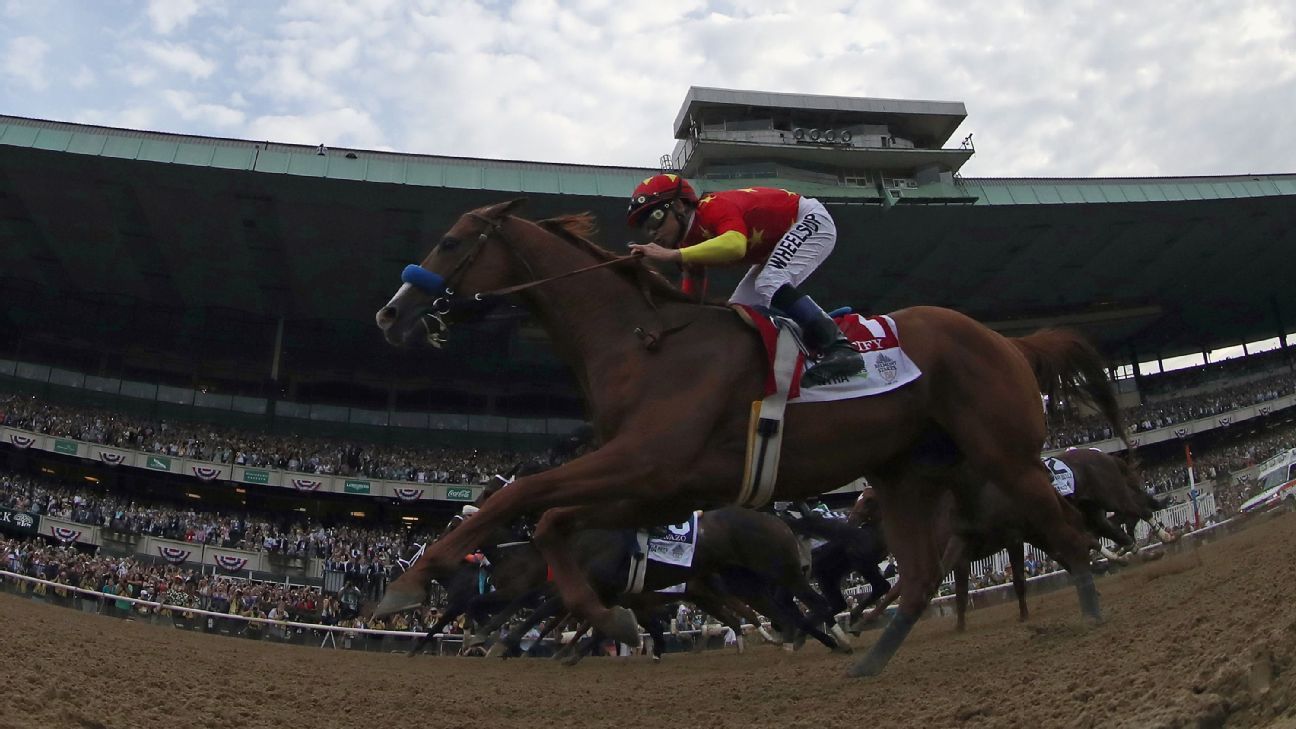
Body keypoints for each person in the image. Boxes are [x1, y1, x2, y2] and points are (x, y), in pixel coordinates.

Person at [626, 173, 865, 387]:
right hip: (776, 244)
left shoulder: (712, 207)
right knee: (739, 308)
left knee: (770, 280)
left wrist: (673, 255)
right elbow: (691, 300)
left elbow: (736, 245)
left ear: (678, 205)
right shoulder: (688, 243)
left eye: (655, 218)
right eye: (645, 228)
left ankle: (840, 348)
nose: (652, 233)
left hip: (809, 219)